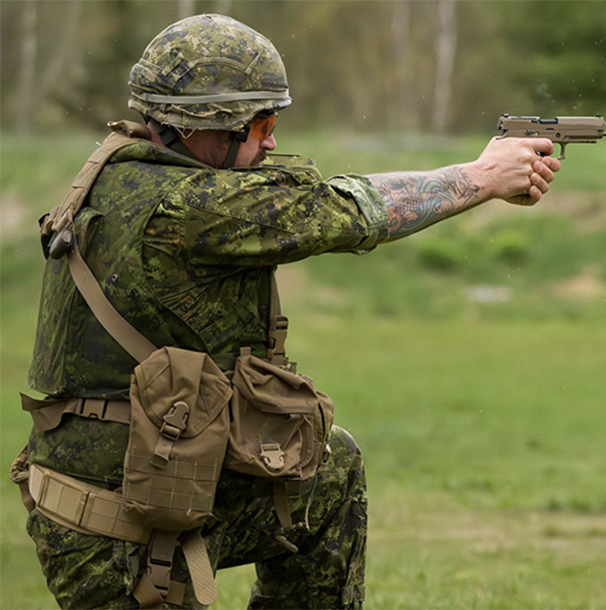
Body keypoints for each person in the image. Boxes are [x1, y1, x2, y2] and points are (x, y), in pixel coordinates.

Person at [11, 13, 559, 610]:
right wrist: (480, 177)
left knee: (329, 470)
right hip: (114, 527)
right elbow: (350, 212)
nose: (271, 141)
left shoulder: (121, 172)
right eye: (263, 123)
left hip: (149, 480)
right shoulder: (187, 209)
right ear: (208, 128)